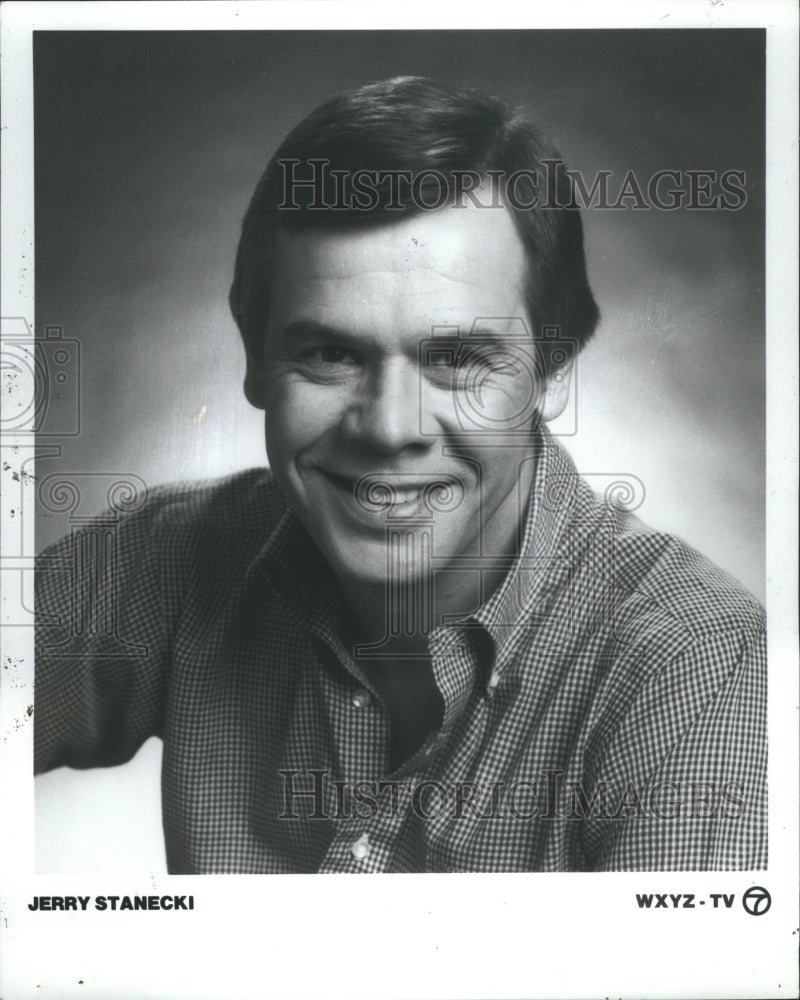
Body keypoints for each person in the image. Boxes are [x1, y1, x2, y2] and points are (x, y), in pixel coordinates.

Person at [34, 77, 766, 873]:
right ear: (255, 358)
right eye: (330, 355)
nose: (389, 428)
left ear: (552, 372)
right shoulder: (172, 558)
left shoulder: (697, 673)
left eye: (456, 359)